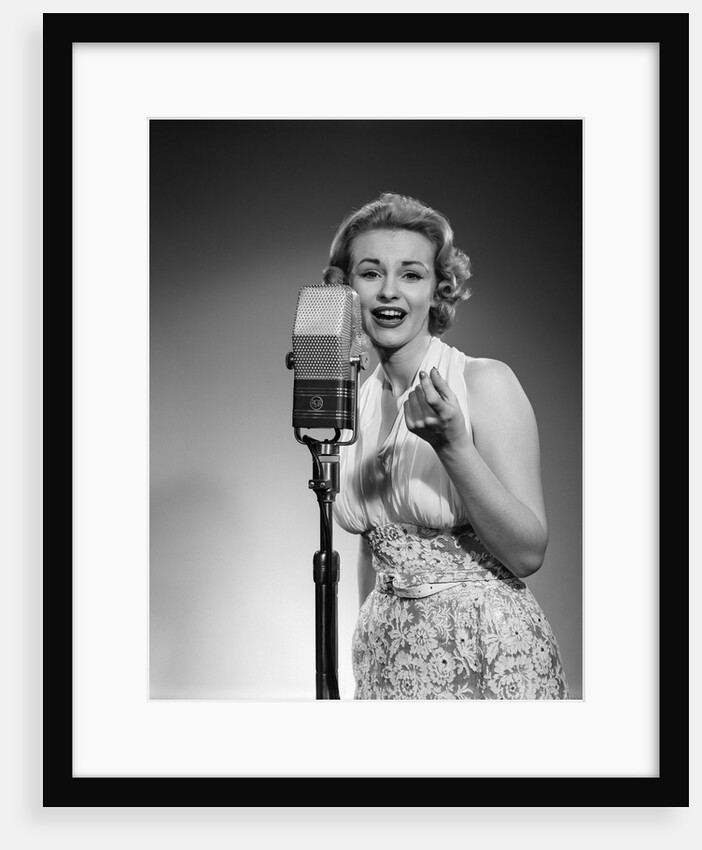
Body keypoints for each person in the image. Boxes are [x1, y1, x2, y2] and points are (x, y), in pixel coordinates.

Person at [327, 191, 569, 700]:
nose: (390, 292)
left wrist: (454, 446)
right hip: (386, 657)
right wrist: (365, 654)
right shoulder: (352, 402)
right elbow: (375, 548)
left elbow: (528, 552)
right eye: (371, 273)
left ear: (439, 290)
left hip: (485, 651)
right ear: (345, 290)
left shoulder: (484, 382)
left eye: (411, 275)